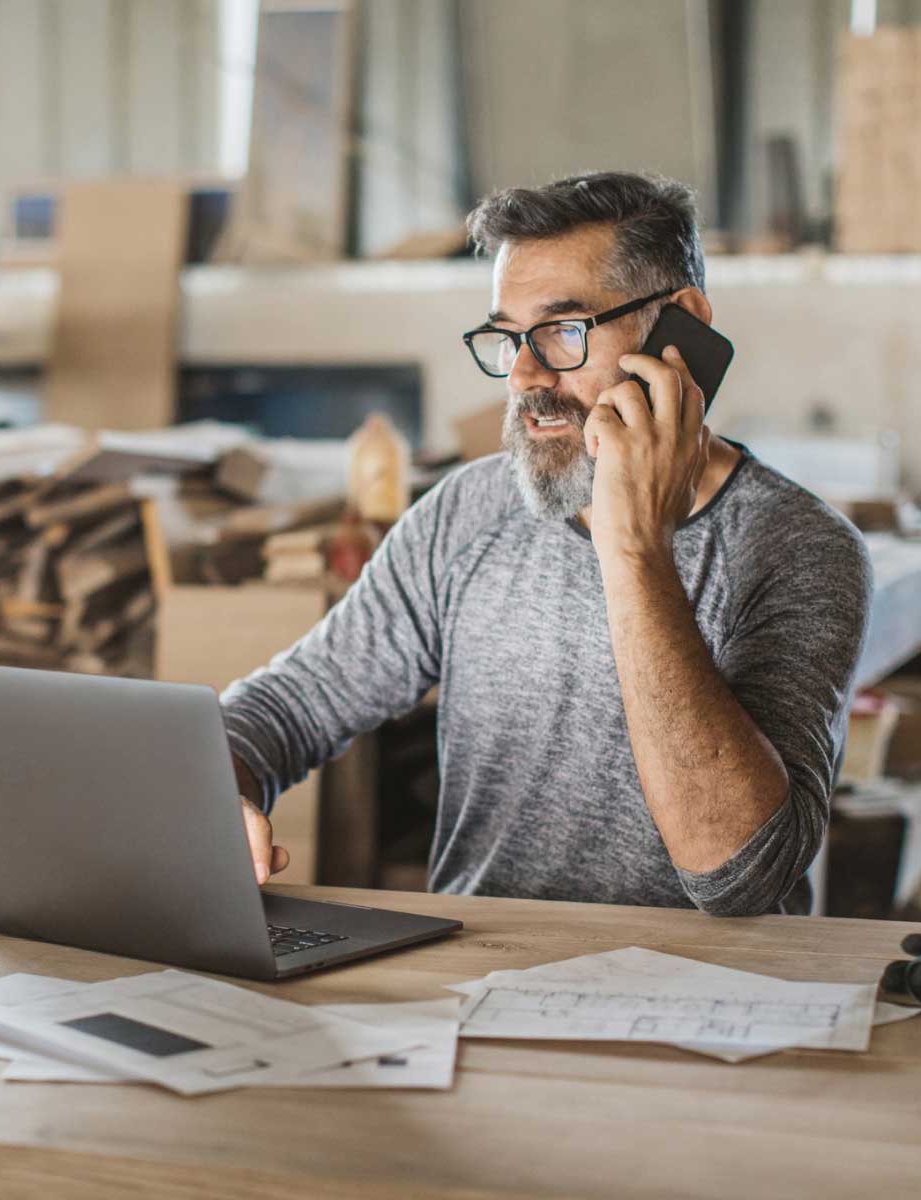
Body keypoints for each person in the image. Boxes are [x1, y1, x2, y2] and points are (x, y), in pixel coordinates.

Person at [222, 171, 872, 916]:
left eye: (564, 331)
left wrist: (633, 547)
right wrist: (223, 782)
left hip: (709, 1003)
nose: (524, 375)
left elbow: (738, 876)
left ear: (681, 330)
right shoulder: (466, 513)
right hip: (481, 981)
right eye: (506, 337)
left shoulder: (801, 547)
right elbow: (286, 707)